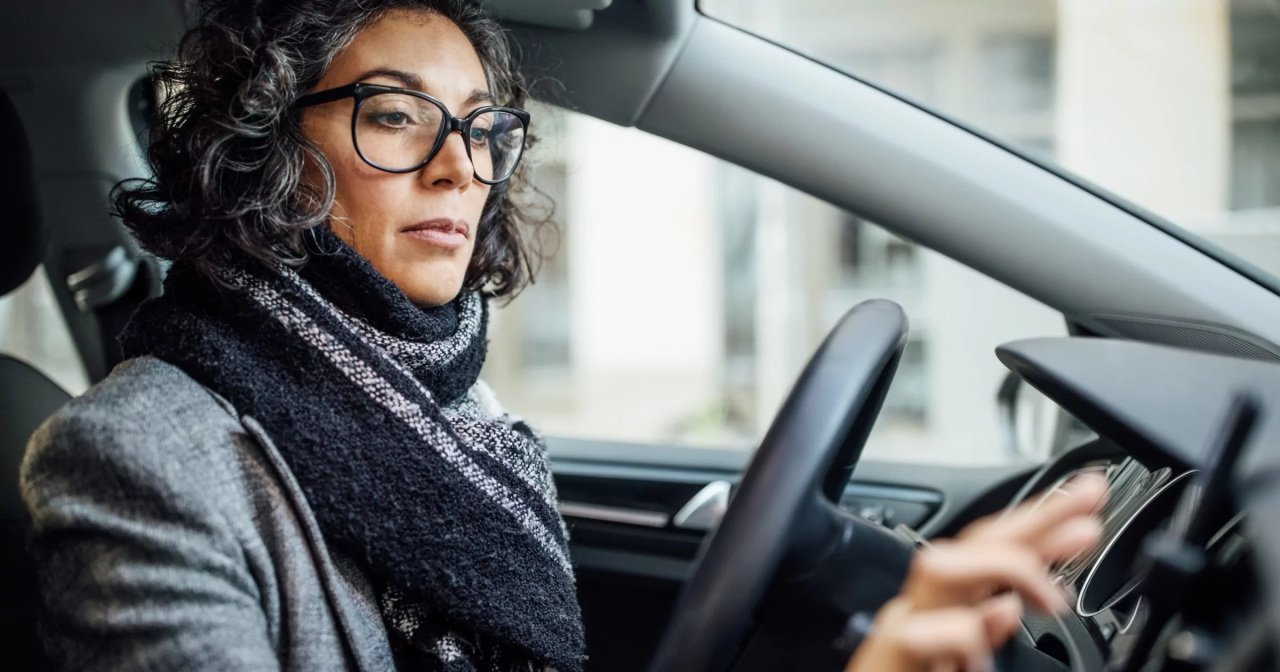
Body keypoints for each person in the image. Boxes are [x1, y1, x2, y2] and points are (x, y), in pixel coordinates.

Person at [17, 1, 1105, 671]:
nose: (462, 168)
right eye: (394, 115)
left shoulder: (456, 407)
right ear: (265, 146)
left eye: (485, 127)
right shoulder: (133, 454)